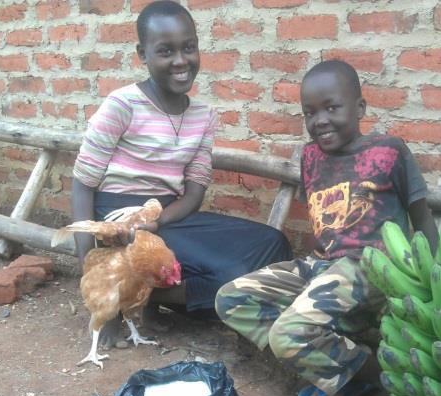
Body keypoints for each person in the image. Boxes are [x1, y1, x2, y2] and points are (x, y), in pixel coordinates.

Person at [215, 60, 438, 396]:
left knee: (288, 334)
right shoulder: (310, 158)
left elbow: (423, 220)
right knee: (231, 299)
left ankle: (398, 387)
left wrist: (434, 284)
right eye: (309, 112)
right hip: (325, 267)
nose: (319, 120)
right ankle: (351, 374)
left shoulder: (388, 152)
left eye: (331, 107)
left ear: (361, 108)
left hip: (375, 267)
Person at [71, 0, 291, 348]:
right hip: (119, 220)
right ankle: (132, 297)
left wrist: (158, 222)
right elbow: (83, 185)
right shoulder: (122, 105)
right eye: (165, 51)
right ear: (142, 54)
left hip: (168, 215)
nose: (180, 60)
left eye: (188, 48)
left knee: (272, 244)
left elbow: (194, 193)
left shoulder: (203, 115)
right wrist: (90, 266)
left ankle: (160, 298)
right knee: (232, 273)